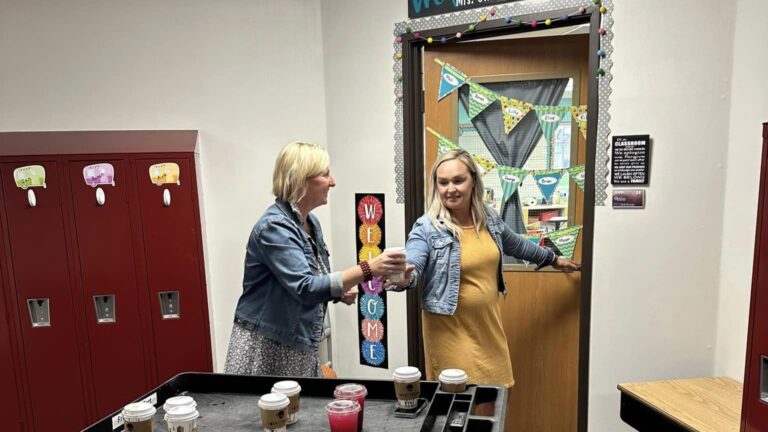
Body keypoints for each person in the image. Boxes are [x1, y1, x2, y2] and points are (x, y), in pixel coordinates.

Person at [388, 149, 580, 388]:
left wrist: (553, 259)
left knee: (499, 395)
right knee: (460, 406)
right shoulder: (426, 228)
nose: (451, 189)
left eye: (458, 180)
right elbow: (413, 265)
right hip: (450, 333)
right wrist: (404, 278)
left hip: (488, 328)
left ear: (473, 181)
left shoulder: (488, 218)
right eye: (443, 182)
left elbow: (517, 245)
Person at [224, 141, 405, 377]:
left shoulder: (310, 223)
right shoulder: (274, 227)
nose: (332, 182)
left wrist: (338, 292)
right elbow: (305, 288)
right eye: (325, 174)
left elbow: (313, 278)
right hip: (268, 345)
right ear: (301, 179)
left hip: (295, 343)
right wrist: (369, 268)